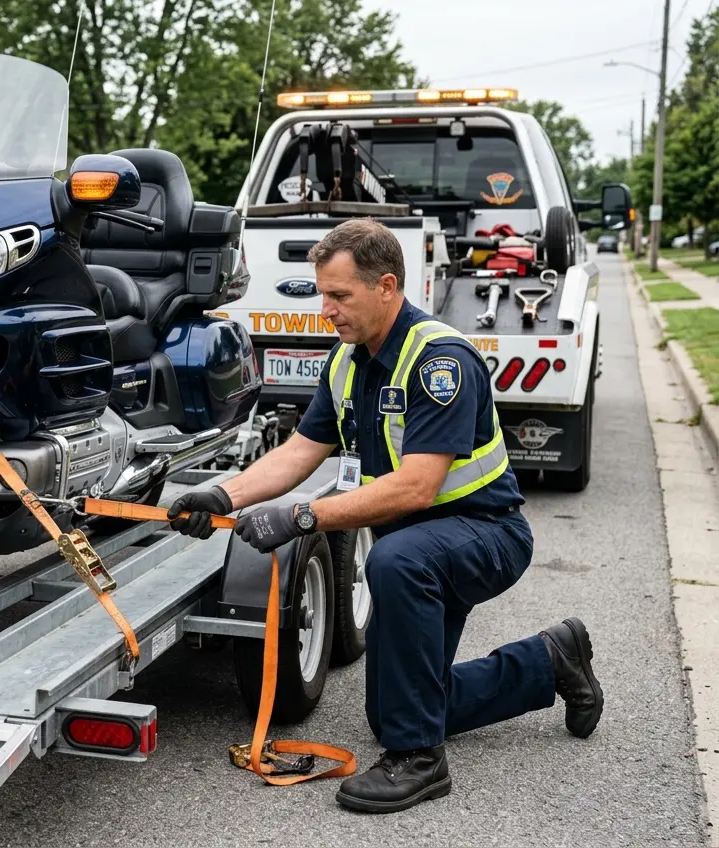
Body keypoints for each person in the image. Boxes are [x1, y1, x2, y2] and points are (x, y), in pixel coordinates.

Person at [168, 218, 603, 814]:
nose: (326, 310)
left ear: (387, 287)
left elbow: (417, 487)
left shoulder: (439, 362)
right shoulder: (348, 362)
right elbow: (299, 451)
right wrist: (225, 496)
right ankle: (550, 660)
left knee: (395, 563)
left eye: (339, 295)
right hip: (424, 544)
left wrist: (302, 517)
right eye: (323, 294)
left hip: (487, 534)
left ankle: (420, 760)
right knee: (395, 709)